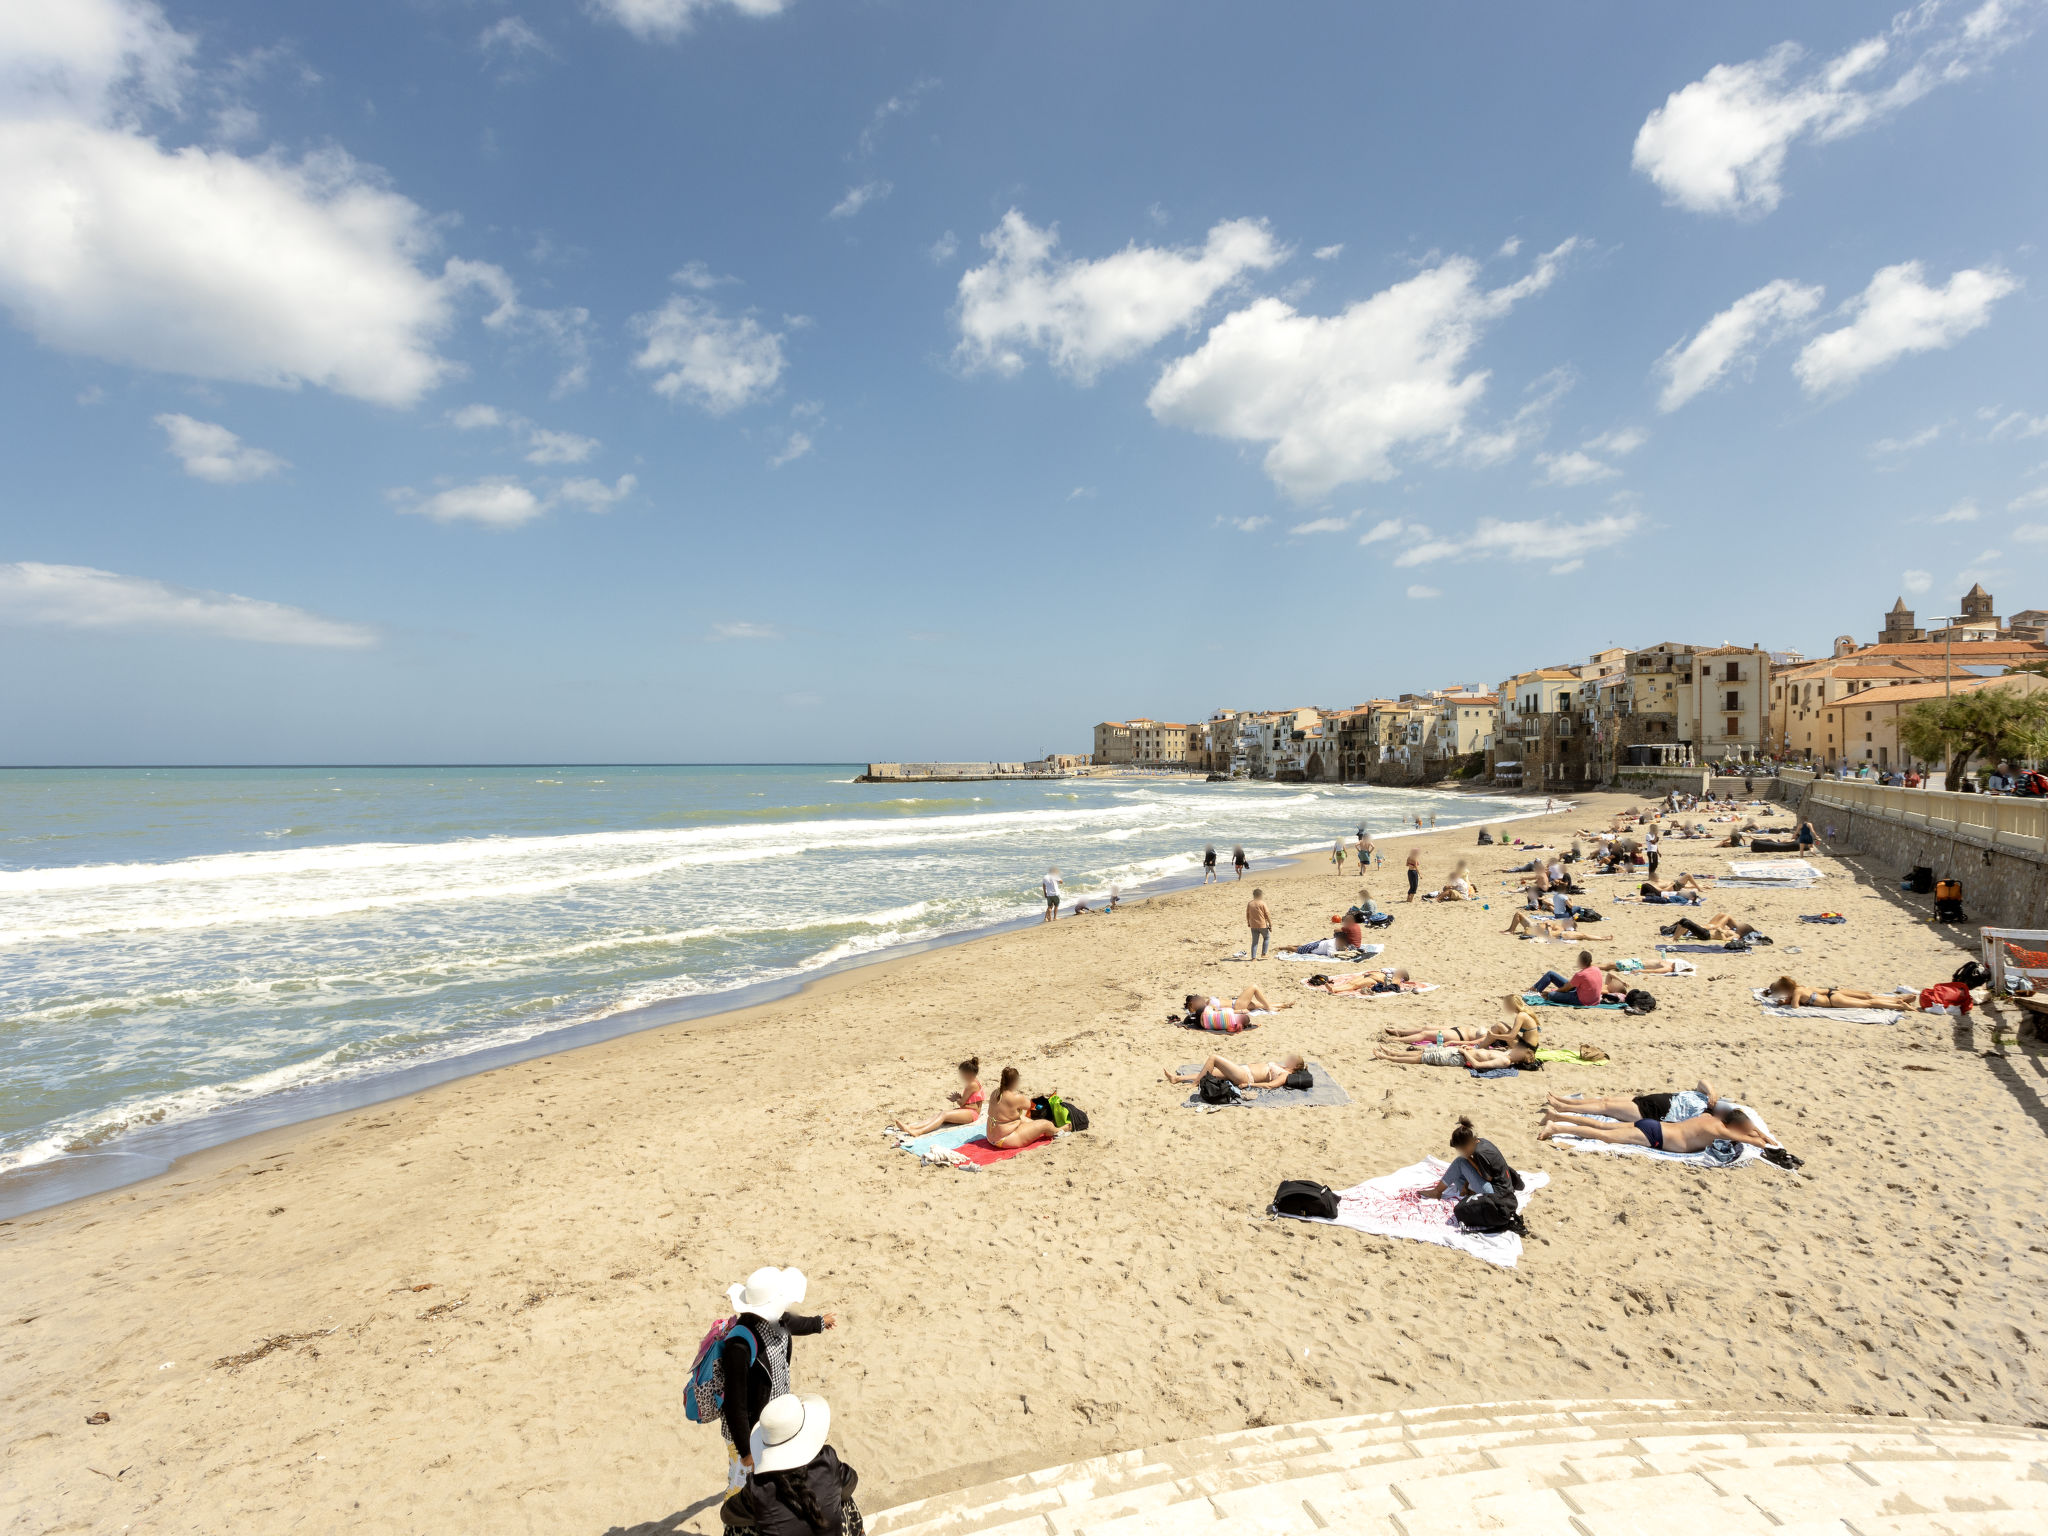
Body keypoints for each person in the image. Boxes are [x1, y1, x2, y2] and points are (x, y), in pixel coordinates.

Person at [719, 1268, 839, 1492]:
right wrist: (746, 1451)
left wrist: (819, 1323)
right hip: (748, 1431)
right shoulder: (738, 1348)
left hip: (772, 1419)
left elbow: (794, 1323)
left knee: (771, 1478)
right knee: (742, 1488)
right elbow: (734, 1405)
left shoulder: (777, 1320)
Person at [722, 1393, 859, 1536]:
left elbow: (727, 1514)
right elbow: (852, 1482)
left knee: (736, 1528)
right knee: (842, 1497)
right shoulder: (827, 1460)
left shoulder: (758, 1488)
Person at [1539, 1102, 1776, 1153]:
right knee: (1604, 1136)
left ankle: (1558, 1115)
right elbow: (1760, 1143)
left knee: (1603, 1125)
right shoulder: (1721, 1131)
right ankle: (1556, 1128)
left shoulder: (1708, 1117)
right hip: (1656, 1136)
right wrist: (1758, 1133)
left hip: (1655, 1126)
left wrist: (1750, 1127)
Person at [1545, 1078, 1720, 1126]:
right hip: (1654, 1099)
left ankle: (1563, 1107)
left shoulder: (1707, 1117)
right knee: (1606, 1100)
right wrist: (1712, 1092)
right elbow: (1702, 1081)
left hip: (1653, 1113)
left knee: (1605, 1107)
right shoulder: (1709, 1099)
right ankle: (1566, 1101)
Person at [1420, 1117, 1515, 1202]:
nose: (1461, 1152)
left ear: (1466, 1146)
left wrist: (1468, 1158)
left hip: (1497, 1193)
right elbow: (1477, 1170)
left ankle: (1437, 1192)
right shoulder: (1481, 1142)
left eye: (1461, 1150)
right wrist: (1466, 1184)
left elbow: (1488, 1178)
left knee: (1460, 1162)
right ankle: (1470, 1191)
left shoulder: (1479, 1153)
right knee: (1455, 1174)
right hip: (1502, 1188)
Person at [889, 1058, 986, 1137]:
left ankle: (919, 1131)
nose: (961, 1076)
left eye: (962, 1074)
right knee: (940, 1114)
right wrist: (959, 1097)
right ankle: (911, 1127)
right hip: (968, 1111)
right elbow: (970, 1101)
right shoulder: (973, 1083)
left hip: (971, 1114)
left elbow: (962, 1103)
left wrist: (956, 1098)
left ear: (967, 1073)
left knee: (944, 1115)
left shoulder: (971, 1085)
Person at [984, 1066, 1060, 1148]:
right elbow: (1029, 1105)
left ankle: (1047, 1129)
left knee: (1024, 1119)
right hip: (1005, 1140)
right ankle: (1059, 1130)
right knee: (1046, 1124)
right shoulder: (1015, 1097)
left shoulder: (995, 1093)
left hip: (990, 1137)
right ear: (1015, 1081)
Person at [1161, 1052, 1306, 1092]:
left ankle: (1194, 1084)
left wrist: (1248, 1085)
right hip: (1242, 1070)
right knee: (1211, 1072)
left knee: (1214, 1058)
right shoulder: (1282, 1067)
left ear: (1295, 1066)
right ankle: (1176, 1079)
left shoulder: (1286, 1074)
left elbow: (1270, 1085)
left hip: (1245, 1077)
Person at [1759, 977, 1899, 1009]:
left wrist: (1786, 1003)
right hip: (1832, 993)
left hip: (1833, 1001)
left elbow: (1795, 1006)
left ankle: (1899, 1005)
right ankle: (1896, 1000)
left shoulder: (1796, 992)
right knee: (1868, 997)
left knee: (1869, 1003)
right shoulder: (1800, 987)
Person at [1530, 950, 1611, 1006]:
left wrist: (1554, 991)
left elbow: (1565, 989)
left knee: (1551, 995)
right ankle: (1534, 989)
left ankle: (1535, 991)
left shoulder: (1581, 975)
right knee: (1551, 974)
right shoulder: (1597, 969)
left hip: (1581, 1000)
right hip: (1593, 999)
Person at [1312, 966, 1421, 995]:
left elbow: (1393, 986)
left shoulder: (1397, 978)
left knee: (1353, 985)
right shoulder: (1391, 973)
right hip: (1369, 975)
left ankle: (1334, 989)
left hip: (1373, 980)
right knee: (1350, 983)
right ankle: (1334, 988)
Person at [1502, 908, 1577, 939]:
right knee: (1518, 914)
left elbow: (1551, 934)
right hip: (1534, 925)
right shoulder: (1559, 926)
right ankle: (1510, 930)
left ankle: (1511, 930)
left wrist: (1548, 926)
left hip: (1535, 927)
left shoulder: (1561, 929)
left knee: (1518, 914)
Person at [1245, 887, 1272, 958]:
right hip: (1262, 925)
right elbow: (1267, 914)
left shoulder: (1250, 904)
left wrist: (1248, 922)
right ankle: (1264, 953)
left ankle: (1253, 958)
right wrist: (1270, 924)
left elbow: (1247, 914)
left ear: (1253, 895)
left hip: (1253, 925)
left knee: (1254, 942)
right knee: (1266, 937)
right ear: (1260, 895)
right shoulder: (1262, 903)